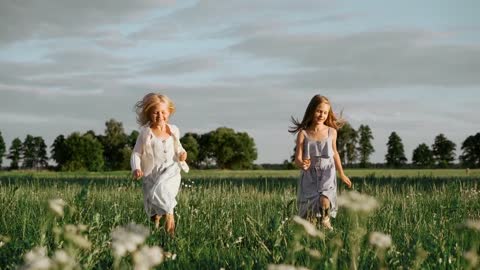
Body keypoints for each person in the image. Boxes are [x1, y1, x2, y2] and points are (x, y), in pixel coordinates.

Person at [289, 94, 352, 230]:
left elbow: (335, 153)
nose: (321, 115)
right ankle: (311, 232)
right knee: (308, 214)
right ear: (311, 110)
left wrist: (342, 173)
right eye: (319, 111)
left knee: (325, 200)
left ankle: (325, 221)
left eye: (325, 112)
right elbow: (297, 159)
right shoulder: (303, 134)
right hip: (309, 175)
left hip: (327, 172)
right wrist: (302, 164)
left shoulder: (332, 132)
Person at [131, 93, 189, 235]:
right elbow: (136, 153)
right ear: (148, 113)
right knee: (154, 208)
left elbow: (178, 147)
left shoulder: (173, 130)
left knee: (164, 197)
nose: (160, 116)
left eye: (163, 112)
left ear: (169, 112)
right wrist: (136, 168)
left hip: (171, 171)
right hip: (152, 173)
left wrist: (182, 154)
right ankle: (157, 228)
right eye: (155, 113)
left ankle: (171, 230)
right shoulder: (145, 133)